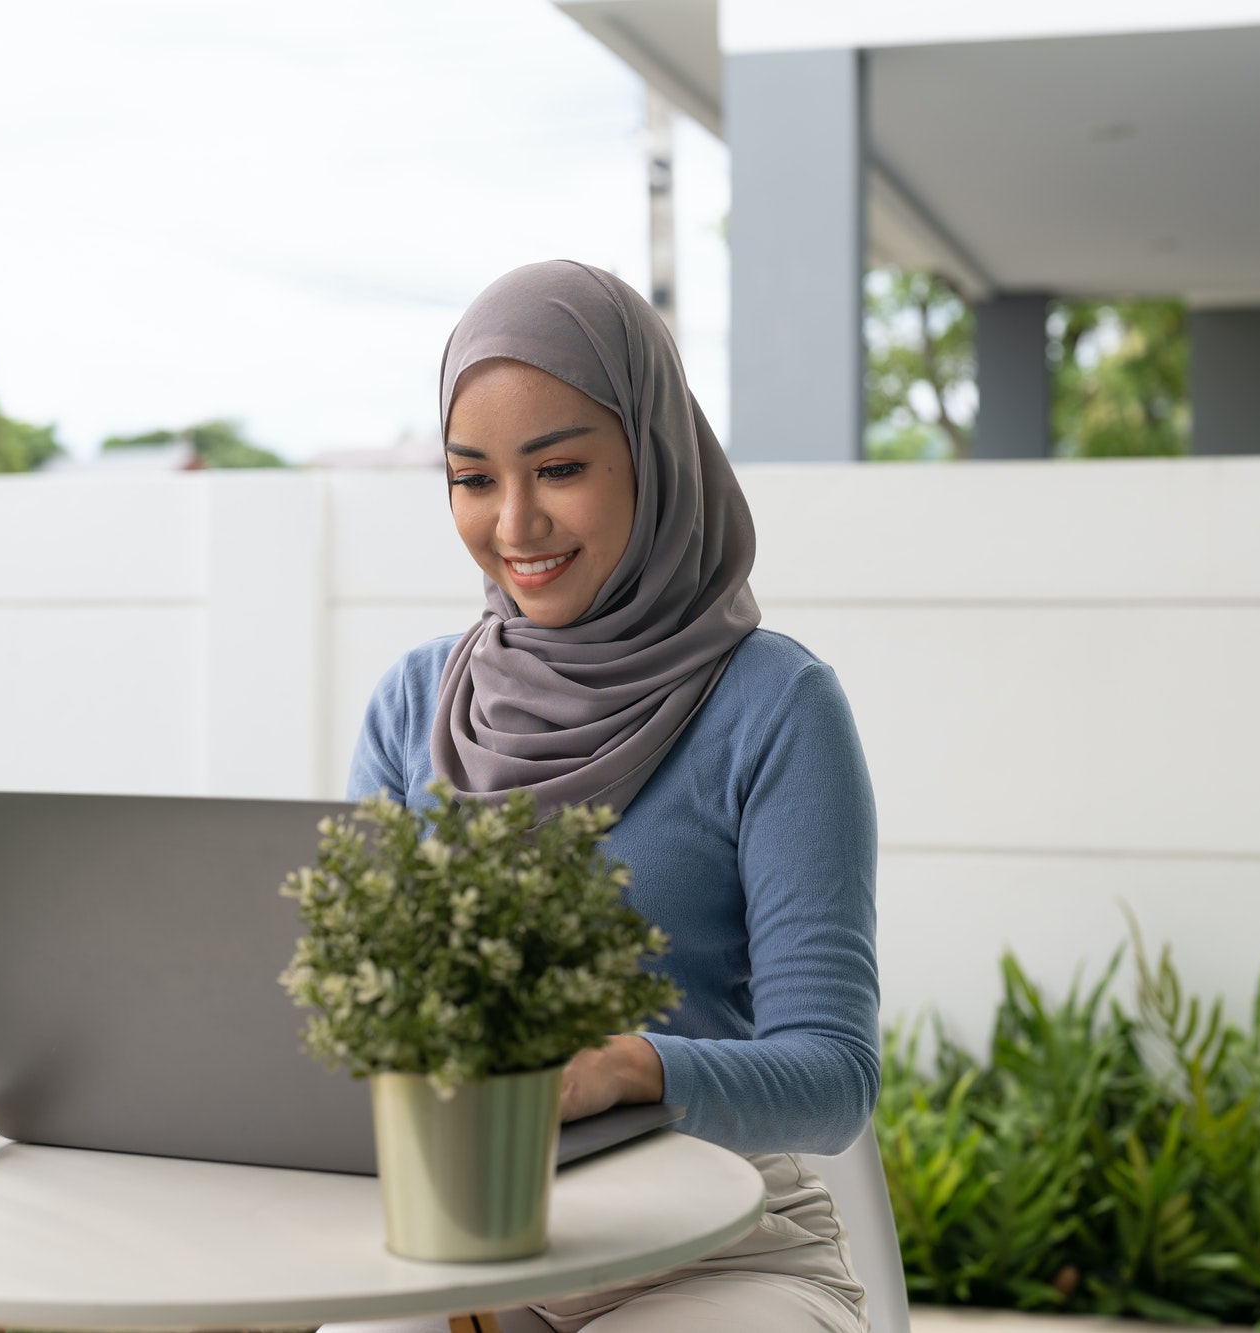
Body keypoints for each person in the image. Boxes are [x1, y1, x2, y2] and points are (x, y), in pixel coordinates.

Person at [320, 260, 879, 1333]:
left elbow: (832, 1075)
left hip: (718, 1259)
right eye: (471, 478)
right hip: (463, 1253)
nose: (515, 523)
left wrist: (625, 1067)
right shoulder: (414, 702)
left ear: (651, 456)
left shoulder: (774, 703)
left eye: (560, 467)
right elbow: (354, 1025)